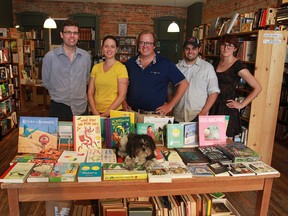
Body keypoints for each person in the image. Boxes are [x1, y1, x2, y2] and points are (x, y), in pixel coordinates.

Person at [123, 30, 189, 119]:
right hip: (132, 114)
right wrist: (123, 102)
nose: (145, 46)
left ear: (154, 45)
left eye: (148, 43)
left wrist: (170, 105)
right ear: (138, 45)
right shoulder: (130, 63)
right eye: (142, 42)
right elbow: (121, 85)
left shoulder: (166, 64)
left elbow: (184, 84)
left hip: (155, 116)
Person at [209, 34, 262, 138]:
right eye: (223, 45)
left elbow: (258, 87)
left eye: (230, 45)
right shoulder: (216, 63)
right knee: (209, 139)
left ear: (235, 48)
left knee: (224, 142)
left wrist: (241, 105)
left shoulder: (238, 66)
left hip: (227, 108)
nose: (226, 48)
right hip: (213, 106)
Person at [42, 19, 91, 121]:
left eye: (75, 33)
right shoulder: (50, 57)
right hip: (59, 107)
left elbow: (86, 79)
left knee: (82, 137)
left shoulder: (86, 56)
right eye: (68, 32)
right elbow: (46, 82)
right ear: (61, 34)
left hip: (81, 107)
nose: (72, 36)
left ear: (78, 35)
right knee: (59, 137)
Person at [172, 37, 220, 122]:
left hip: (198, 116)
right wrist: (171, 108)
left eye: (194, 49)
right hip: (177, 116)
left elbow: (214, 92)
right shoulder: (176, 68)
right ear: (183, 50)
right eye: (187, 49)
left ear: (199, 49)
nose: (190, 52)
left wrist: (204, 112)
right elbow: (170, 90)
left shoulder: (208, 68)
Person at [88, 35, 128, 117]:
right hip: (96, 112)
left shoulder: (121, 68)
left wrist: (106, 114)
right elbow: (90, 92)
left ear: (116, 49)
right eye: (106, 46)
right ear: (102, 48)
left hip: (114, 113)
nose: (109, 49)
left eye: (112, 47)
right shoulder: (96, 68)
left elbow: (122, 95)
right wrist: (94, 111)